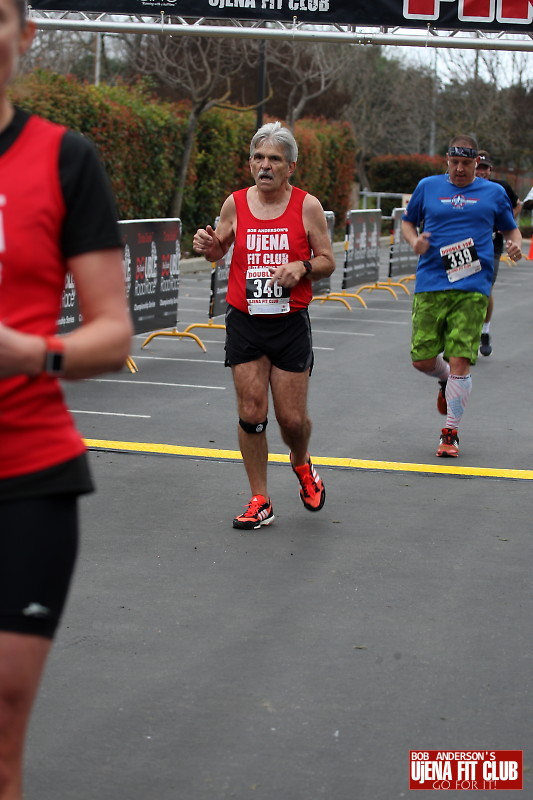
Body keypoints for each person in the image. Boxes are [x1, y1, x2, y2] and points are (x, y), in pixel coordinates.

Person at [0, 1, 133, 798]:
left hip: (25, 479)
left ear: (25, 34)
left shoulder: (63, 159)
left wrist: (31, 352)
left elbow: (113, 334)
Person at [193, 121, 335, 529]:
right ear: (250, 162)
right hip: (245, 320)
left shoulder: (306, 206)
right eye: (259, 157)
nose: (265, 166)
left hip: (289, 324)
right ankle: (260, 498)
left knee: (292, 420)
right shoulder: (235, 203)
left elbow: (327, 261)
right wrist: (209, 247)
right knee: (251, 410)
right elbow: (218, 250)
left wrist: (302, 267)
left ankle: (301, 462)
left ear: (291, 166)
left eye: (274, 159)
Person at [401, 134, 522, 458]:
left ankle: (450, 432)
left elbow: (511, 228)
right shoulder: (428, 187)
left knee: (460, 358)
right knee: (422, 358)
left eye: (466, 163)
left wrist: (515, 243)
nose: (459, 169)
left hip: (473, 284)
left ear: (476, 163)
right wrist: (414, 242)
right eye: (454, 162)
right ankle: (444, 379)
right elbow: (407, 222)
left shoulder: (493, 193)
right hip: (431, 281)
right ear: (447, 160)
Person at [474, 150, 522, 356]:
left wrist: (506, 221)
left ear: (490, 170)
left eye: (485, 168)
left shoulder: (499, 188)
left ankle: (484, 331)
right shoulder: (461, 189)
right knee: (458, 288)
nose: (482, 172)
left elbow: (517, 205)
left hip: (491, 245)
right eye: (478, 168)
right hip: (465, 247)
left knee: (485, 288)